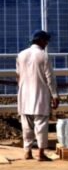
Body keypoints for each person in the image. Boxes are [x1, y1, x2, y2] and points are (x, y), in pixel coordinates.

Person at [16, 30, 59, 161]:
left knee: (26, 125)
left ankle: (27, 152)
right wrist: (55, 95)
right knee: (41, 124)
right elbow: (50, 78)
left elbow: (18, 75)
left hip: (24, 94)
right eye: (45, 41)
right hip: (40, 94)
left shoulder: (21, 54)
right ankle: (40, 153)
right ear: (40, 41)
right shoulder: (44, 56)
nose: (46, 43)